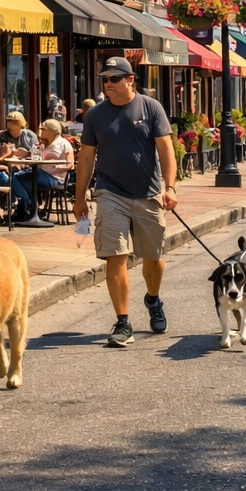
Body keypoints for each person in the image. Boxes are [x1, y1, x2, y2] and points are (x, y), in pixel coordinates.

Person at [73, 56, 177, 348]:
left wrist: (169, 187)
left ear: (130, 79)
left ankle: (153, 299)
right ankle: (123, 322)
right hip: (109, 193)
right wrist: (80, 198)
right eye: (105, 79)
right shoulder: (95, 116)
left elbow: (166, 150)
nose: (108, 84)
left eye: (114, 79)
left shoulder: (150, 107)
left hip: (149, 192)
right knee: (115, 256)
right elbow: (86, 157)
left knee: (153, 257)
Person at [0, 116, 36, 222]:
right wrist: (9, 154)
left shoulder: (29, 135)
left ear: (20, 124)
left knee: (26, 176)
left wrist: (26, 153)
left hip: (28, 165)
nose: (9, 125)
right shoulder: (2, 135)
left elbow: (36, 151)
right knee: (13, 174)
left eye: (13, 123)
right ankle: (25, 203)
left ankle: (26, 204)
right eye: (8, 122)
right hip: (8, 166)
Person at [35, 118, 75, 204]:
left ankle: (30, 207)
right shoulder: (45, 144)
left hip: (55, 178)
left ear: (52, 131)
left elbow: (70, 164)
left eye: (43, 129)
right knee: (18, 177)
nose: (41, 131)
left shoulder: (64, 143)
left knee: (26, 180)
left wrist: (59, 168)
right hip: (41, 173)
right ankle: (28, 206)